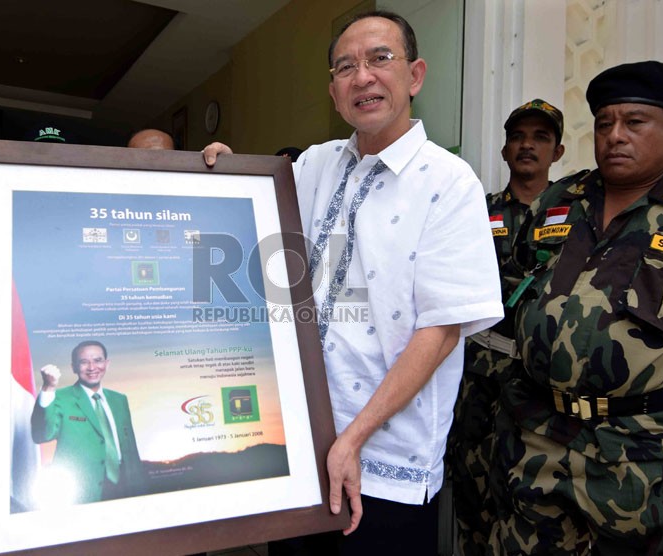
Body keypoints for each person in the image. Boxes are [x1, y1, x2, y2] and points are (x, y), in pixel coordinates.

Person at [203, 10, 502, 554]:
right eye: (346, 67)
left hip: (385, 464)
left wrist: (354, 439)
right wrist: (223, 170)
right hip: (301, 451)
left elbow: (441, 332)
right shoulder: (314, 164)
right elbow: (254, 211)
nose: (362, 76)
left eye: (380, 59)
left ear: (415, 76)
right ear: (334, 93)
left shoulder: (449, 183)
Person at [494, 61, 663, 555]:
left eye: (634, 123)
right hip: (537, 439)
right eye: (605, 124)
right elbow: (515, 287)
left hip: (639, 454)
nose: (614, 136)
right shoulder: (561, 200)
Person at [447, 98, 565, 555]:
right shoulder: (477, 211)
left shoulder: (577, 216)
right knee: (473, 490)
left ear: (556, 152)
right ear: (504, 150)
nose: (527, 145)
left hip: (541, 383)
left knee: (536, 499)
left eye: (540, 137)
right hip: (480, 375)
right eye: (517, 137)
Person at [31, 340, 144, 504]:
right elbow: (41, 435)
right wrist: (48, 387)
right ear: (74, 367)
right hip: (85, 491)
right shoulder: (59, 398)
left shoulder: (120, 400)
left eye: (98, 360)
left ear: (107, 363)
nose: (92, 367)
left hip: (127, 487)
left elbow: (131, 448)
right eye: (84, 362)